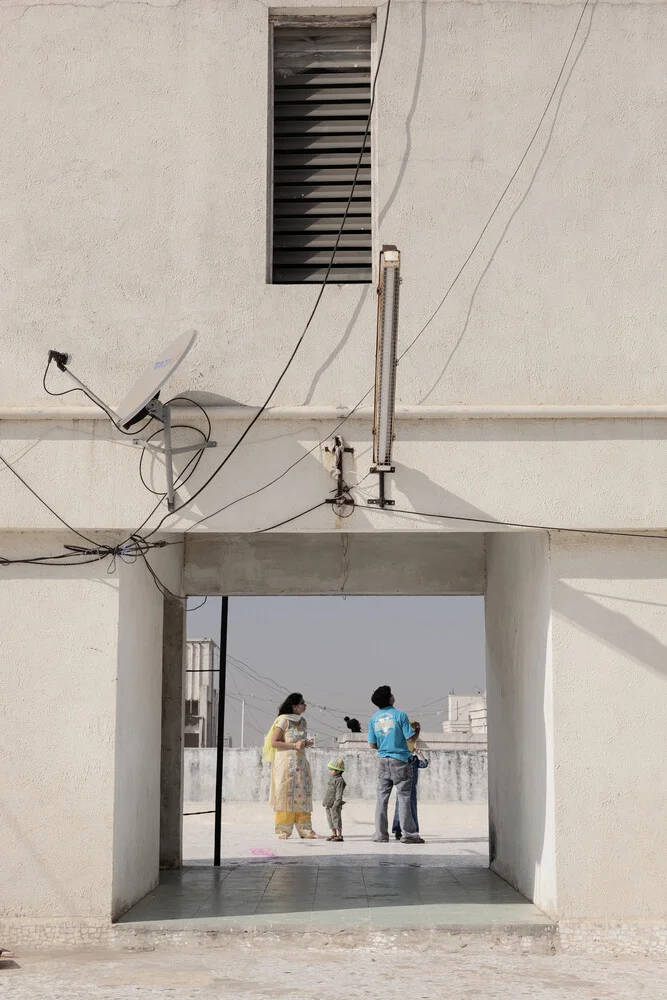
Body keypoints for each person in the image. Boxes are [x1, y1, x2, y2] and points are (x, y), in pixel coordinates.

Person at [367, 685, 425, 844]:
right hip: (400, 761)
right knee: (404, 797)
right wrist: (417, 730)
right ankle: (409, 835)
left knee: (381, 799)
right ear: (389, 698)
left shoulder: (373, 719)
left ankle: (381, 835)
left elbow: (372, 744)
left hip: (383, 761)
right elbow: (411, 739)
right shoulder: (400, 715)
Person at [262, 692, 322, 840]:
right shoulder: (283, 721)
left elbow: (299, 743)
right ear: (294, 706)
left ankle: (306, 830)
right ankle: (283, 830)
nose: (305, 705)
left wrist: (305, 744)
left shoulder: (303, 722)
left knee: (302, 795)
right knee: (285, 795)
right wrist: (294, 745)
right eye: (302, 703)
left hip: (300, 764)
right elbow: (274, 742)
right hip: (285, 765)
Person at [392, 721, 429, 840]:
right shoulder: (406, 760)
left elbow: (424, 764)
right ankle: (401, 830)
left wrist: (420, 754)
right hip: (408, 787)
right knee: (405, 808)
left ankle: (401, 830)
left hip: (409, 788)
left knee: (404, 807)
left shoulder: (412, 760)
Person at [322, 757, 346, 842]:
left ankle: (339, 835)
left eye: (332, 770)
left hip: (334, 805)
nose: (330, 771)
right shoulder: (333, 779)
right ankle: (334, 834)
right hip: (329, 804)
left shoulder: (339, 781)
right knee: (330, 819)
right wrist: (325, 802)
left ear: (338, 771)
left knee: (336, 819)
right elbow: (329, 792)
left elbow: (339, 794)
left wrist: (336, 804)